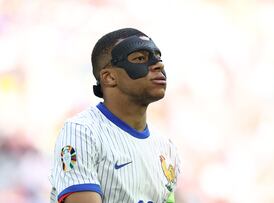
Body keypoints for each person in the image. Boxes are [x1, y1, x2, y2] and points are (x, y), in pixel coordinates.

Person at [49, 28, 180, 203]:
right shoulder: (82, 132)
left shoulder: (166, 148)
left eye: (158, 57)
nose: (159, 65)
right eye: (140, 58)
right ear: (109, 77)